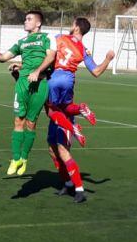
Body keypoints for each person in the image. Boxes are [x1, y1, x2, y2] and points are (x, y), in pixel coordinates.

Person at [44, 17, 115, 203]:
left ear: (76, 27)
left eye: (72, 23)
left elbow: (46, 50)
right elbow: (97, 72)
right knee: (52, 147)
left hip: (55, 83)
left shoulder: (59, 37)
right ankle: (67, 184)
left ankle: (79, 190)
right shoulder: (83, 50)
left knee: (63, 149)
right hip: (67, 84)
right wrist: (108, 58)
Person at [0, 10, 56, 176]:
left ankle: (24, 159)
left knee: (31, 124)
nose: (25, 21)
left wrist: (37, 71)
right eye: (25, 19)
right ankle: (15, 158)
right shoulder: (21, 42)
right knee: (18, 120)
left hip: (40, 84)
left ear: (38, 23)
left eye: (29, 19)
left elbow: (51, 57)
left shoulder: (47, 37)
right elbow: (4, 57)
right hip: (22, 83)